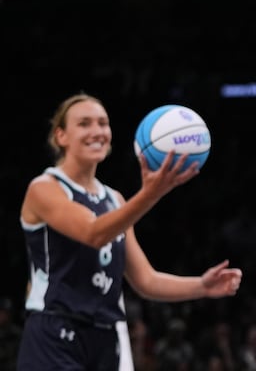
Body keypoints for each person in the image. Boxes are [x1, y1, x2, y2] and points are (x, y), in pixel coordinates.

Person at [16, 93, 243, 370]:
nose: (97, 131)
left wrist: (202, 286)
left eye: (103, 123)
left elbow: (145, 280)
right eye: (84, 123)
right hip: (55, 330)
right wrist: (150, 194)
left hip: (105, 335)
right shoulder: (45, 188)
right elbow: (93, 233)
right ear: (61, 136)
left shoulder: (115, 200)